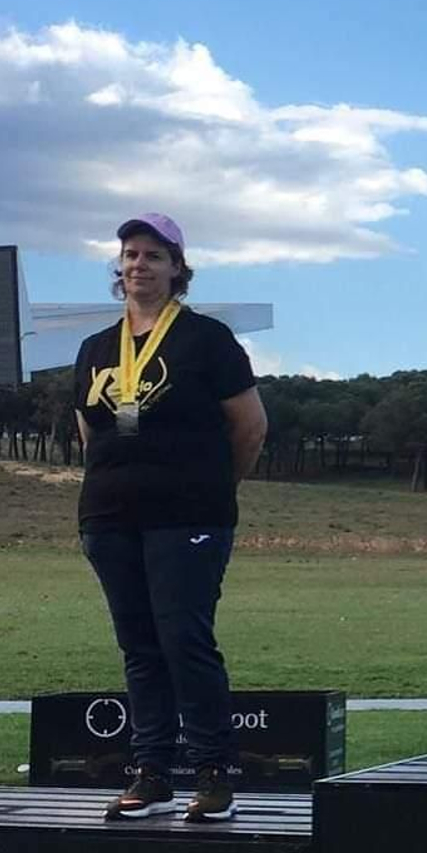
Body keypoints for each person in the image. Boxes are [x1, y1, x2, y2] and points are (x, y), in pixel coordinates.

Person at [74, 213, 268, 822]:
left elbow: (250, 427)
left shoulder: (208, 340)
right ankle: (151, 774)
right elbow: (90, 432)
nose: (139, 265)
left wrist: (211, 489)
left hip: (189, 516)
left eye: (154, 256)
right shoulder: (95, 348)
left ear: (177, 268)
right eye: (130, 255)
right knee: (139, 646)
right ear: (119, 267)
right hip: (110, 517)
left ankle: (213, 775)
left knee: (184, 638)